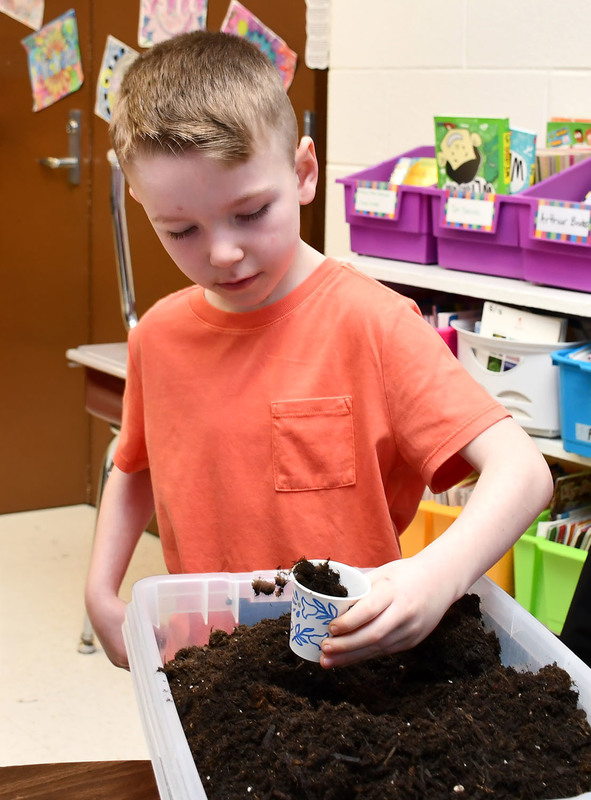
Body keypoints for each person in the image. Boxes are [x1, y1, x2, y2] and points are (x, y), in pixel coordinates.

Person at [84, 30, 553, 670]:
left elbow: (523, 473)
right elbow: (135, 463)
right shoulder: (158, 338)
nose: (223, 252)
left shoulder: (374, 323)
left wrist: (432, 578)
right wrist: (100, 586)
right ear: (144, 206)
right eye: (183, 229)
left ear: (305, 172)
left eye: (251, 212)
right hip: (215, 660)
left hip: (352, 662)